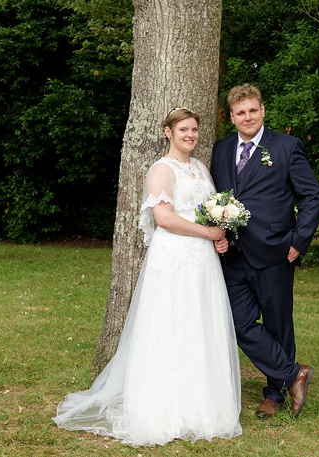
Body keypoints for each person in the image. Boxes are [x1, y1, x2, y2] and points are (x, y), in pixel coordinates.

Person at [53, 108, 242, 447]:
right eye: (183, 129)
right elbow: (165, 218)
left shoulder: (200, 168)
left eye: (195, 130)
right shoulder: (161, 169)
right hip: (175, 257)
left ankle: (201, 405)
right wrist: (207, 232)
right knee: (171, 325)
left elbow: (210, 208)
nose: (191, 135)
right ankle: (164, 409)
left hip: (202, 260)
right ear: (168, 132)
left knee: (199, 323)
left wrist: (220, 234)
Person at [211, 84, 319, 419]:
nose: (247, 117)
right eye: (240, 112)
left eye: (252, 110)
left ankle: (274, 395)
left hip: (276, 252)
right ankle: (294, 374)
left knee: (277, 324)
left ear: (263, 111)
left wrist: (298, 242)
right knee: (237, 321)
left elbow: (312, 196)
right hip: (232, 253)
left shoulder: (286, 147)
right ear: (231, 117)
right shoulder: (220, 150)